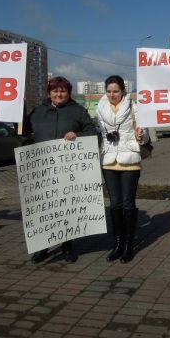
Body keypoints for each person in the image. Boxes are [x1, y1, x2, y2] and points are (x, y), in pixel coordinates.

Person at [27, 76, 97, 264]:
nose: (59, 94)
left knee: (66, 210)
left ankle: (67, 246)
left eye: (63, 91)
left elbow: (93, 133)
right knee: (43, 210)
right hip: (42, 169)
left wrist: (78, 134)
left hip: (68, 170)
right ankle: (42, 247)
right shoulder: (37, 111)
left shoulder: (78, 111)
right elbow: (23, 134)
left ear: (69, 93)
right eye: (55, 90)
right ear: (49, 92)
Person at [96, 75, 149, 263]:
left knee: (128, 203)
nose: (112, 95)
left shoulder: (135, 108)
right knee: (115, 204)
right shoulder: (99, 109)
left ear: (123, 91)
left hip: (130, 162)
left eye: (116, 91)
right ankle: (117, 244)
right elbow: (99, 135)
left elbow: (147, 139)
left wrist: (140, 136)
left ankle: (128, 245)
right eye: (109, 91)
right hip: (108, 161)